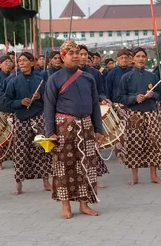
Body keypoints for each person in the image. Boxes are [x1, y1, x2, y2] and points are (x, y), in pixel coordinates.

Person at [44, 40, 104, 219]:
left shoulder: (88, 77)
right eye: (71, 53)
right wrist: (50, 133)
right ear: (63, 57)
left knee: (86, 166)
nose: (76, 56)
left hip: (86, 126)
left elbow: (94, 104)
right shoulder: (54, 79)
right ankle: (66, 206)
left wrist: (98, 128)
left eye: (78, 52)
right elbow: (48, 107)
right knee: (64, 167)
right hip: (64, 128)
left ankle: (84, 205)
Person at [4, 52, 52, 195]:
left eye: (25, 61)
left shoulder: (41, 80)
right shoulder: (13, 81)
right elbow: (6, 101)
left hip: (38, 118)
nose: (22, 63)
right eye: (19, 61)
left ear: (32, 63)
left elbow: (49, 100)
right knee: (20, 151)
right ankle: (18, 185)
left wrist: (40, 96)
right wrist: (19, 102)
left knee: (44, 150)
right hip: (21, 119)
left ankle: (46, 182)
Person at [119, 47, 161, 185]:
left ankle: (154, 175)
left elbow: (160, 94)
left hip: (151, 113)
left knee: (153, 144)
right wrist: (134, 98)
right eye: (138, 56)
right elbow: (121, 97)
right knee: (134, 145)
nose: (141, 59)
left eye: (143, 56)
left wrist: (153, 95)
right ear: (132, 59)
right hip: (134, 115)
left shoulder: (152, 76)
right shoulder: (126, 77)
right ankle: (135, 177)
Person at [78, 45, 109, 187]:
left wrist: (103, 98)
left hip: (90, 114)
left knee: (92, 149)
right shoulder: (66, 74)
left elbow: (101, 91)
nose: (83, 57)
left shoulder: (94, 73)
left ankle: (94, 180)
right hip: (72, 117)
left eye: (85, 54)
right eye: (80, 54)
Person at [105, 49, 133, 164]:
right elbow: (108, 91)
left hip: (131, 104)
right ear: (117, 59)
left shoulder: (132, 71)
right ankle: (120, 155)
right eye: (121, 58)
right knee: (119, 132)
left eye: (126, 57)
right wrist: (110, 106)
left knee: (131, 130)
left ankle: (131, 153)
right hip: (117, 106)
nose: (124, 59)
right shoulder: (112, 74)